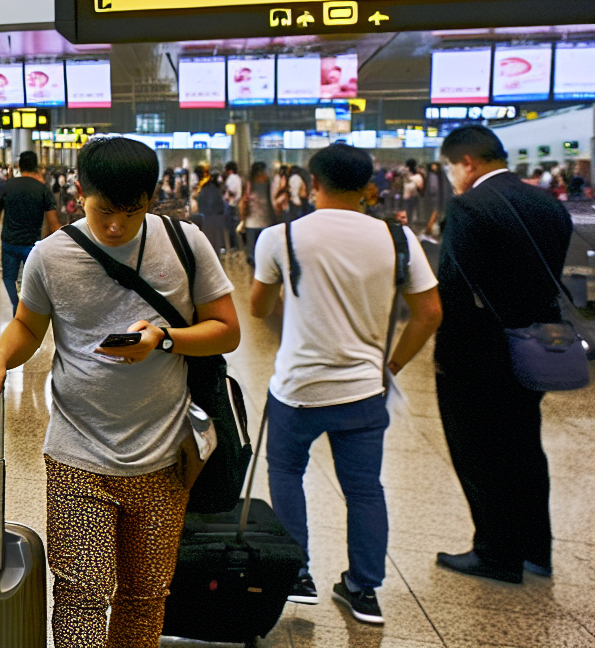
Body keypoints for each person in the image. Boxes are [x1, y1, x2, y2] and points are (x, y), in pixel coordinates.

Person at [0, 136, 239, 648]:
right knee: (80, 596)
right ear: (78, 191)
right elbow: (27, 327)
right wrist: (1, 355)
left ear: (152, 198)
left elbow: (226, 329)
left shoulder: (186, 243)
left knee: (145, 594)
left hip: (163, 457)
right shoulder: (51, 256)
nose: (116, 226)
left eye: (132, 212)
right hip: (77, 453)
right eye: (103, 211)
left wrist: (163, 339)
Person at [247, 144, 442, 624]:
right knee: (365, 490)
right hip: (363, 390)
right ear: (368, 187)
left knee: (287, 475)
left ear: (313, 184)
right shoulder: (398, 239)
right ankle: (363, 590)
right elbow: (430, 313)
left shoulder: (282, 236)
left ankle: (298, 575)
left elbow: (257, 306)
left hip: (297, 387)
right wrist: (391, 365)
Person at [431, 125, 573, 584]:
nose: (452, 176)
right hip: (534, 348)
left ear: (467, 162)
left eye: (451, 166)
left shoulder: (468, 206)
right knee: (524, 448)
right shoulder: (549, 204)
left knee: (478, 453)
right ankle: (536, 550)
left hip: (477, 354)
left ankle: (494, 553)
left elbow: (452, 290)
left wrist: (442, 353)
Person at [0, 150, 61, 311]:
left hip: (9, 242)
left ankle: (16, 304)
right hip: (33, 245)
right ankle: (26, 307)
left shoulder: (6, 186)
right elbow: (53, 223)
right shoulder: (43, 189)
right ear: (35, 166)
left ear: (19, 166)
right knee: (31, 281)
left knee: (8, 277)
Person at [241, 162, 273, 267]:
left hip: (261, 222)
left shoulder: (266, 185)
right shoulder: (253, 185)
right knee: (256, 254)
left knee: (257, 253)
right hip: (256, 223)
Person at [193, 162, 228, 254]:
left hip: (207, 216)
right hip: (217, 216)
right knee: (217, 239)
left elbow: (202, 201)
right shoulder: (218, 187)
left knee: (210, 239)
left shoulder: (204, 186)